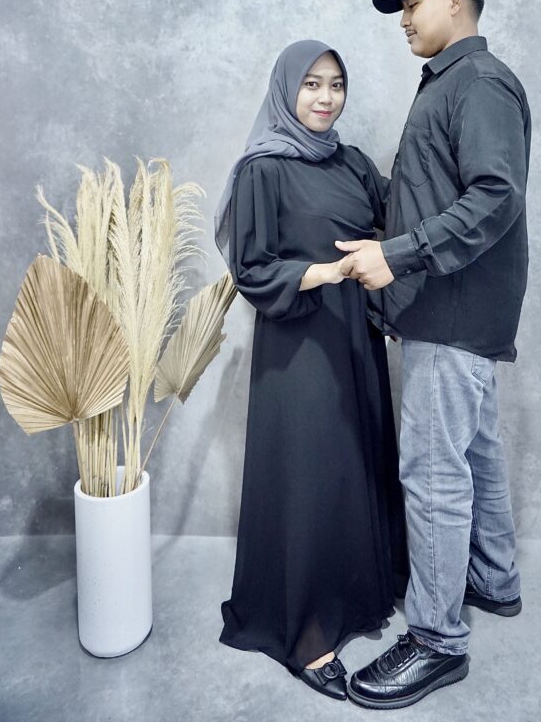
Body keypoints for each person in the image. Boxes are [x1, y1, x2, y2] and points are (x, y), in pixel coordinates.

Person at [336, 0, 531, 710]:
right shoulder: (453, 82)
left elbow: (495, 196)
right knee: (475, 451)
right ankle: (494, 580)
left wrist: (396, 254)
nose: (404, 20)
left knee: (433, 474)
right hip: (461, 311)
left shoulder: (477, 81)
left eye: (412, 3)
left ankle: (437, 640)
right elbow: (441, 192)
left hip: (450, 313)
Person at [214, 39, 407, 702]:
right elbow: (250, 267)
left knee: (352, 467)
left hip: (355, 338)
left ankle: (356, 598)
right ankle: (305, 634)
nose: (326, 98)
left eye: (336, 84)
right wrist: (322, 272)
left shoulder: (352, 163)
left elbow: (396, 223)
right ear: (286, 90)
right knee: (308, 480)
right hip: (299, 346)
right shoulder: (262, 169)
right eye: (312, 84)